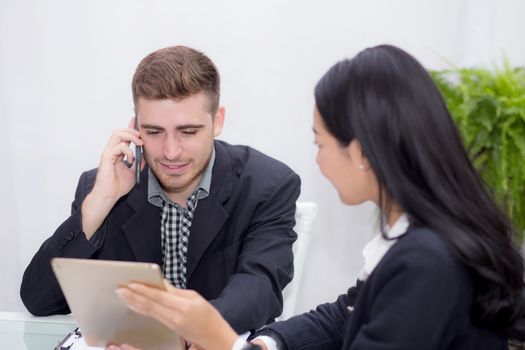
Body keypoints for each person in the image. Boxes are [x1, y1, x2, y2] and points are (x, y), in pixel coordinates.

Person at [109, 44, 525, 350]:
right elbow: (344, 315)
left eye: (320, 143)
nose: (319, 162)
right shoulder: (418, 241)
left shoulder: (425, 262)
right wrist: (260, 346)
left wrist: (221, 340)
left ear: (361, 153)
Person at [20, 45, 301, 334]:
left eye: (188, 132)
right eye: (153, 132)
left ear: (217, 121)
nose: (170, 152)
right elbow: (38, 299)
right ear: (135, 125)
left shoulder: (268, 185)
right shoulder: (101, 188)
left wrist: (182, 335)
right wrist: (100, 203)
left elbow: (259, 289)